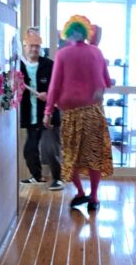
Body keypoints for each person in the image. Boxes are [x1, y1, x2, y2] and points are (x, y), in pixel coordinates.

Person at [43, 15, 113, 212]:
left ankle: (81, 192)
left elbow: (54, 86)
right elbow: (107, 81)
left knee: (70, 156)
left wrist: (48, 111)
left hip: (71, 113)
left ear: (67, 34)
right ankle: (94, 197)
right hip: (94, 112)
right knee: (94, 155)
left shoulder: (62, 55)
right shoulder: (97, 52)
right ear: (85, 33)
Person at [19, 28, 63, 191]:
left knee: (50, 149)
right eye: (31, 46)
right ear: (25, 46)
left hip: (48, 115)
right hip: (30, 116)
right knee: (29, 150)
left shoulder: (49, 65)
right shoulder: (19, 66)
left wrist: (49, 95)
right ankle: (36, 176)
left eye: (37, 46)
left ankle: (58, 178)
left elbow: (59, 88)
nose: (34, 49)